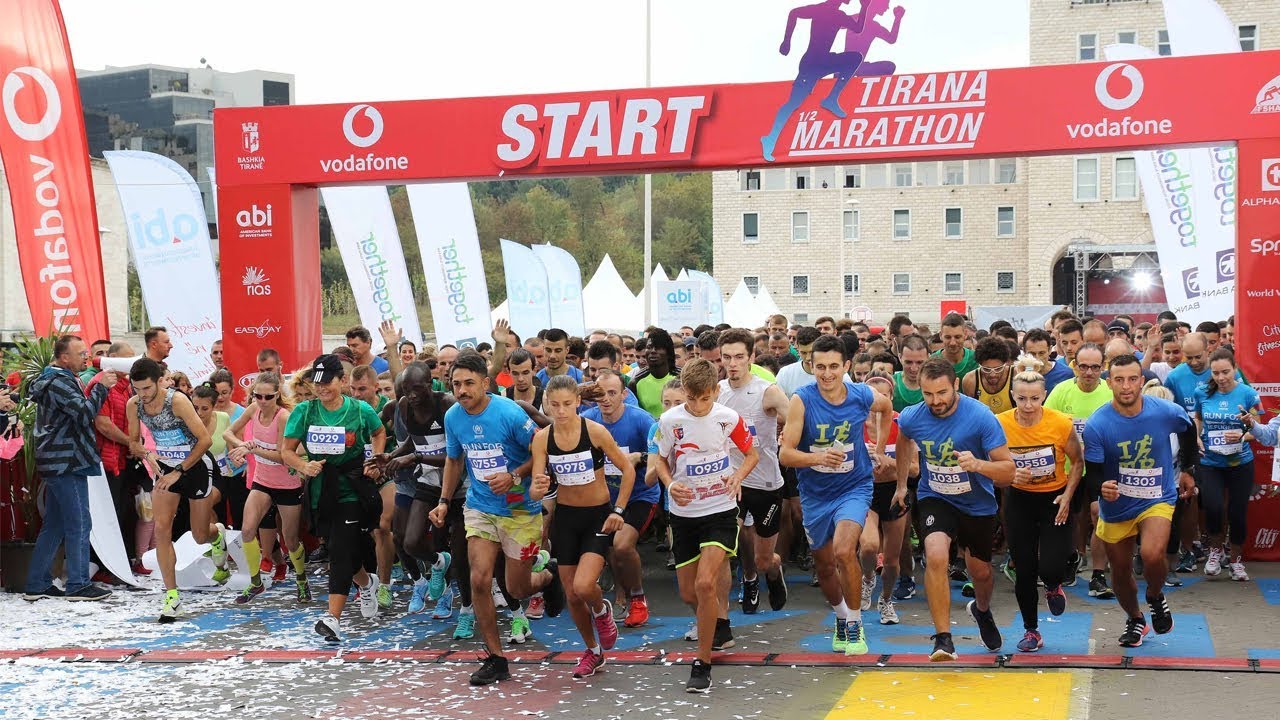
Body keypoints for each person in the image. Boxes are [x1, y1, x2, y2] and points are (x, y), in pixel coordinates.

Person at [430, 352, 566, 687]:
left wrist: (515, 475)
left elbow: (541, 448)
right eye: (456, 384)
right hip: (480, 507)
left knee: (516, 587)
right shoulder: (452, 417)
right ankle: (496, 658)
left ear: (485, 383)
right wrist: (444, 501)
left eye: (468, 383)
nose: (461, 390)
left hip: (520, 510)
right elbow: (453, 460)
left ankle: (548, 578)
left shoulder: (508, 412)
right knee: (479, 580)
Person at [896, 357, 1016, 661]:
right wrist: (900, 485)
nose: (935, 401)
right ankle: (943, 638)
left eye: (942, 393)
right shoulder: (912, 416)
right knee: (935, 555)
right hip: (936, 496)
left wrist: (978, 465)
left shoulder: (981, 417)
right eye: (928, 394)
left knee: (981, 573)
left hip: (977, 504)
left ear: (956, 388)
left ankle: (982, 610)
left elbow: (1008, 471)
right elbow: (903, 441)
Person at [780, 335, 893, 656]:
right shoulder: (802, 400)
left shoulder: (859, 395)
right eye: (820, 367)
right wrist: (818, 457)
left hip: (854, 487)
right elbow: (785, 455)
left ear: (846, 366)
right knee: (826, 566)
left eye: (833, 367)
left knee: (846, 551)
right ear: (811, 367)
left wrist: (880, 450)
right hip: (815, 494)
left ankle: (856, 624)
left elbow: (885, 406)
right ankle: (842, 616)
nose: (827, 374)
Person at [655, 358, 758, 693]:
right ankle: (712, 622)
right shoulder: (670, 421)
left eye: (705, 398)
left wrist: (737, 476)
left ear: (716, 391)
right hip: (685, 515)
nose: (698, 405)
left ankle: (702, 664)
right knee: (689, 592)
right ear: (683, 391)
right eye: (691, 398)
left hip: (720, 511)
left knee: (704, 584)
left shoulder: (728, 418)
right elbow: (660, 459)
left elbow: (751, 454)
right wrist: (671, 485)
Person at [1085, 354, 1199, 648]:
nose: (1126, 386)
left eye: (1133, 379)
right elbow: (1093, 475)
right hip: (1118, 505)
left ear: (1141, 381)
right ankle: (1135, 619)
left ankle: (1154, 595)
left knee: (1151, 553)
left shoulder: (1165, 411)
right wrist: (1103, 488)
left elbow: (1188, 431)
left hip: (1157, 497)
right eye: (1119, 380)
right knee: (1120, 570)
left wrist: (1187, 469)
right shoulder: (1098, 424)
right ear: (1108, 382)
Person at [531, 375, 635, 679]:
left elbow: (628, 470)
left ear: (578, 401)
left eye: (567, 404)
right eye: (555, 405)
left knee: (583, 586)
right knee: (572, 594)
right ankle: (593, 651)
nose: (561, 411)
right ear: (547, 405)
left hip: (597, 517)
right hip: (565, 518)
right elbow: (537, 490)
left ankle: (602, 610)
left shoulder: (595, 432)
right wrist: (538, 487)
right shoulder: (542, 439)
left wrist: (618, 510)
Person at [284, 355, 387, 642]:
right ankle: (367, 583)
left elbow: (379, 432)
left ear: (342, 381)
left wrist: (375, 460)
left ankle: (333, 618)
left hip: (351, 488)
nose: (321, 388)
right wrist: (304, 466)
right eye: (316, 383)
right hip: (320, 490)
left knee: (340, 551)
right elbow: (287, 450)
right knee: (336, 546)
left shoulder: (359, 409)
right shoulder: (304, 412)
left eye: (327, 382)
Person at [126, 358, 225, 621]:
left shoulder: (178, 401)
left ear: (159, 382)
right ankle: (172, 596)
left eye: (147, 389)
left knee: (199, 535)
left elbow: (204, 440)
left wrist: (178, 470)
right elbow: (133, 442)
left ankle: (218, 538)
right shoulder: (134, 405)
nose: (142, 395)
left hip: (195, 466)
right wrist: (148, 454)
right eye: (137, 389)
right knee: (161, 529)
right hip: (165, 469)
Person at [23, 335, 118, 602]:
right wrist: (101, 388)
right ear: (64, 358)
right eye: (81, 353)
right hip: (67, 460)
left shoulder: (56, 379)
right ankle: (77, 584)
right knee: (79, 522)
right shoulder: (60, 382)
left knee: (54, 524)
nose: (86, 357)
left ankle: (37, 583)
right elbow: (84, 413)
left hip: (61, 459)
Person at [374, 364, 467, 625]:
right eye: (407, 390)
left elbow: (455, 455)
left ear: (430, 384)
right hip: (427, 480)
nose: (412, 395)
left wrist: (414, 457)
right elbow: (415, 439)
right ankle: (438, 564)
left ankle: (457, 602)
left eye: (417, 389)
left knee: (447, 543)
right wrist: (392, 455)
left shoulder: (446, 404)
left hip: (456, 484)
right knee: (409, 541)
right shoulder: (404, 406)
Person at [997, 371, 1083, 652]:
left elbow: (1077, 462)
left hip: (1054, 500)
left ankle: (1053, 584)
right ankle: (1031, 630)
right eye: (1022, 398)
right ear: (1013, 396)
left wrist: (1068, 496)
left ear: (1044, 396)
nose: (1028, 405)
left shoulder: (1059, 423)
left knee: (1050, 566)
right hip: (1019, 501)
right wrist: (1010, 476)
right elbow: (993, 465)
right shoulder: (1001, 424)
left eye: (1035, 398)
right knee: (1024, 569)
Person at [717, 329, 791, 614]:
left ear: (750, 358)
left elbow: (796, 418)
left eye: (738, 357)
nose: (732, 363)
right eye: (727, 357)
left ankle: (772, 570)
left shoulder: (766, 391)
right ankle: (748, 581)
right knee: (730, 541)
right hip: (731, 480)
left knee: (762, 558)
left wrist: (788, 435)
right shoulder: (718, 392)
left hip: (766, 483)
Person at [581, 369, 660, 627]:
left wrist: (640, 458)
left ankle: (638, 597)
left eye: (612, 393)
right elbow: (556, 423)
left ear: (624, 394)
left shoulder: (641, 420)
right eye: (600, 394)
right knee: (613, 548)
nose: (606, 399)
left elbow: (663, 452)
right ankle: (620, 593)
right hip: (604, 496)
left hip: (640, 495)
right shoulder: (587, 419)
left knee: (623, 544)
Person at [223, 372, 307, 604]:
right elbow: (227, 432)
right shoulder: (253, 409)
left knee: (290, 540)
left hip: (287, 484)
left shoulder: (284, 417)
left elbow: (284, 456)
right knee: (247, 530)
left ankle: (301, 578)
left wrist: (252, 449)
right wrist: (242, 445)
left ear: (277, 395)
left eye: (267, 397)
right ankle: (255, 582)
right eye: (257, 395)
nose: (261, 400)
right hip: (262, 481)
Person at [1044, 343, 1114, 597]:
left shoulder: (1110, 392)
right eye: (1083, 366)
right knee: (1067, 519)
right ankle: (1072, 558)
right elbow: (1046, 428)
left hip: (1100, 467)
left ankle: (1098, 574)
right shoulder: (1060, 392)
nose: (1088, 372)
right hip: (1066, 468)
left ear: (1103, 367)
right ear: (1074, 365)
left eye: (1095, 367)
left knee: (1099, 515)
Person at [1192, 348, 1262, 581]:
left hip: (1240, 462)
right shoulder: (1202, 392)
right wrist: (1197, 437)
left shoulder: (1247, 393)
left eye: (1226, 372)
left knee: (1237, 512)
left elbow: (1260, 428)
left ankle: (1236, 561)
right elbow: (1199, 418)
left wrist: (1243, 436)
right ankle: (1215, 551)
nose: (1221, 378)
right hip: (1211, 461)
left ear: (1234, 369)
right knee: (1213, 507)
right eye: (1216, 373)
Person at [859, 372, 913, 624]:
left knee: (892, 562)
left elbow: (915, 469)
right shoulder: (853, 423)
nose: (877, 404)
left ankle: (887, 600)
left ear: (891, 399)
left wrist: (888, 461)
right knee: (869, 546)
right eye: (873, 397)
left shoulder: (902, 424)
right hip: (863, 491)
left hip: (893, 492)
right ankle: (868, 578)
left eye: (884, 396)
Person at [631, 329, 677, 419]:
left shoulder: (681, 378)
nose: (653, 351)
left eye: (658, 347)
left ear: (668, 352)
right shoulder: (636, 382)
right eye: (649, 347)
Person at [961, 337, 1014, 415]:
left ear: (1005, 364)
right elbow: (970, 414)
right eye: (986, 369)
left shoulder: (1015, 376)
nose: (993, 374)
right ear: (979, 365)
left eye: (998, 369)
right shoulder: (970, 380)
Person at [936, 314, 979, 380]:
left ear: (965, 334)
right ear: (941, 335)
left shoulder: (976, 360)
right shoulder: (933, 362)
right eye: (948, 337)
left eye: (957, 337)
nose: (952, 343)